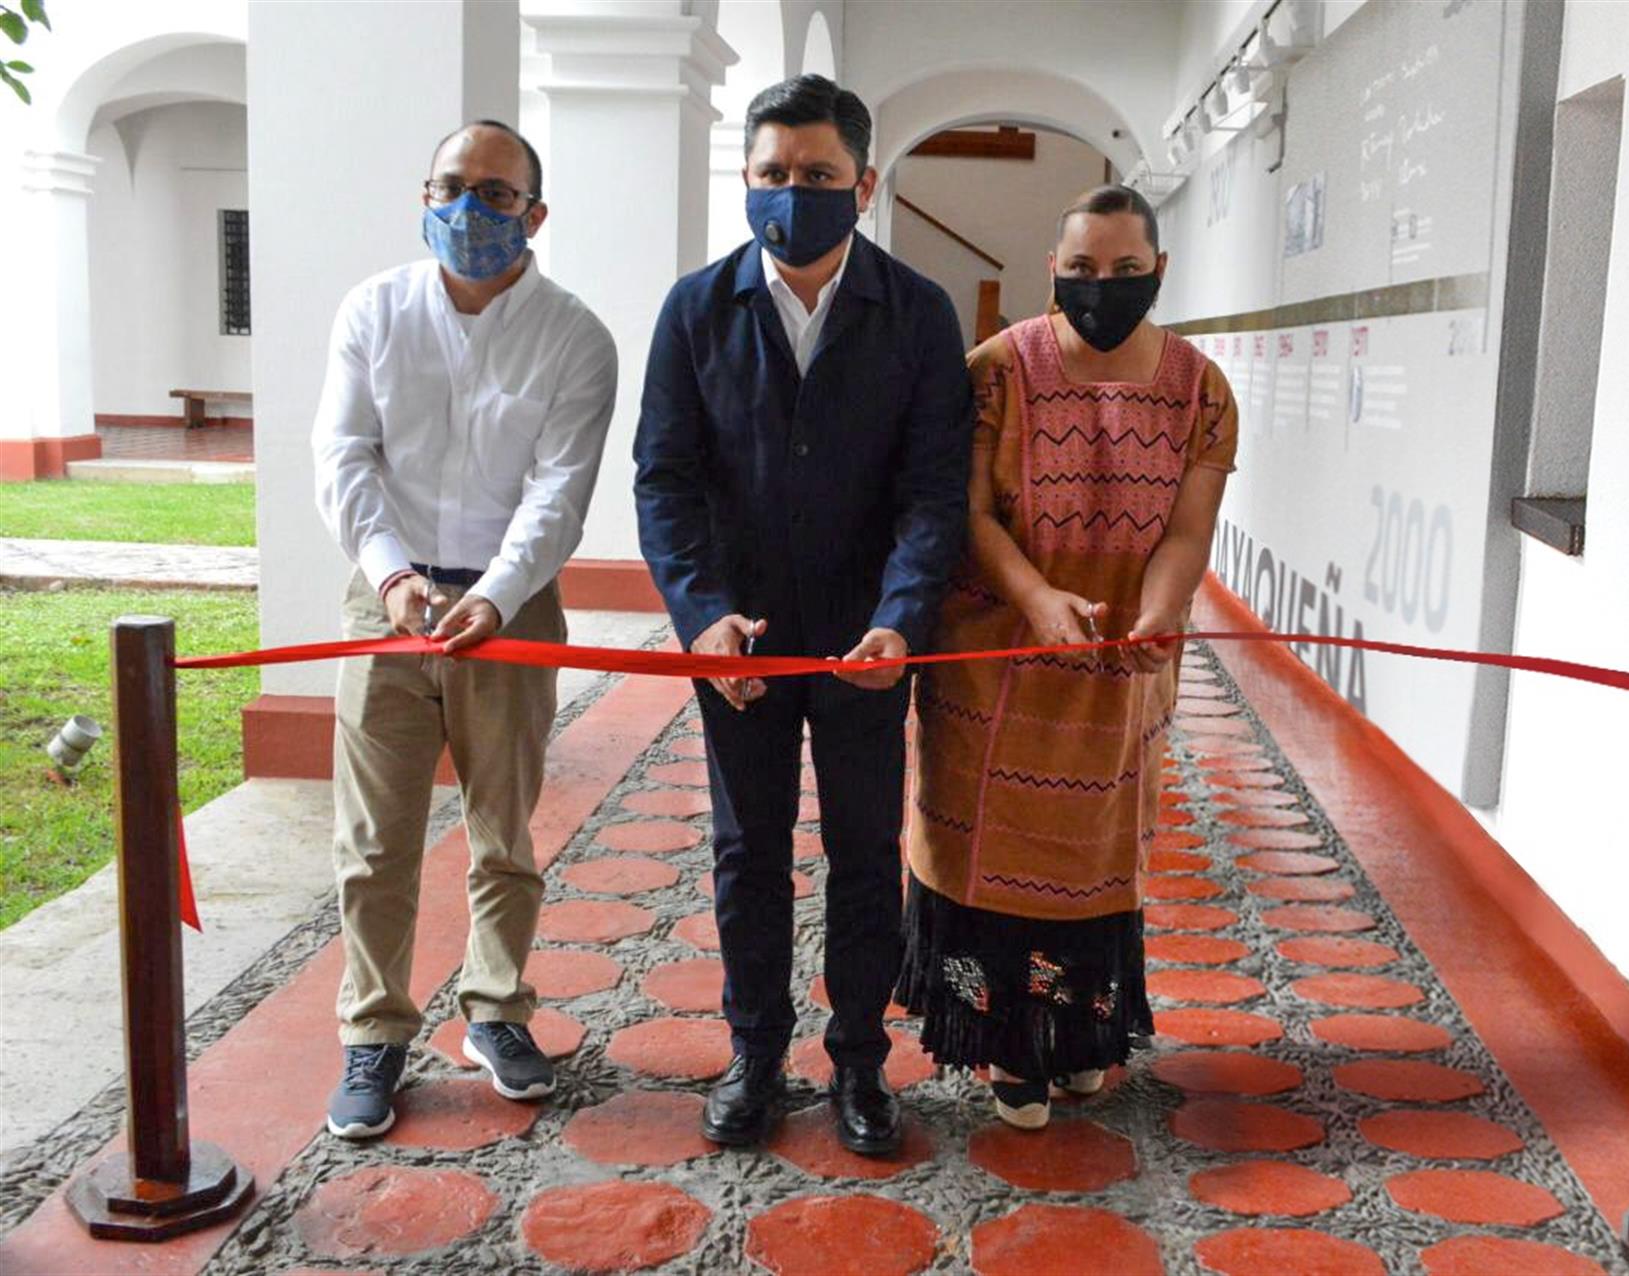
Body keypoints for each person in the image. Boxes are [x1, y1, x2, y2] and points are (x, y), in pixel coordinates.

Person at [635, 73, 971, 1156]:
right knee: (749, 852)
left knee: (868, 852)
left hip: (867, 641)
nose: (793, 193)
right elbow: (664, 480)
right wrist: (702, 616)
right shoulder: (695, 309)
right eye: (773, 174)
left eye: (818, 175)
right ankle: (755, 1055)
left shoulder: (917, 313)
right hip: (743, 644)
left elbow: (933, 489)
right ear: (745, 178)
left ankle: (862, 1060)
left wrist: (903, 618)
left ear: (863, 184)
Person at [897, 184, 1237, 1129]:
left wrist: (1156, 619)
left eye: (1127, 271)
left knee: (1096, 860)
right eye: (1083, 270)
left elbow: (1185, 530)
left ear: (1159, 271)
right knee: (990, 853)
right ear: (1053, 270)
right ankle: (1007, 1046)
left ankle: (1082, 1038)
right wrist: (1039, 598)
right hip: (994, 656)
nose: (1103, 288)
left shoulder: (1202, 389)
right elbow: (966, 514)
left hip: (1120, 668)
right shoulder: (996, 372)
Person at [312, 120, 618, 1138]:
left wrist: (496, 590)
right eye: (451, 185)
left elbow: (559, 488)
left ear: (535, 213)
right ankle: (375, 1029)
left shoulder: (574, 335)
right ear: (423, 192)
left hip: (511, 605)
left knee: (505, 828)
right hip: (386, 600)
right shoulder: (374, 310)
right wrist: (393, 576)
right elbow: (345, 455)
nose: (469, 208)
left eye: (495, 194)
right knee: (374, 836)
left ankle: (495, 1007)